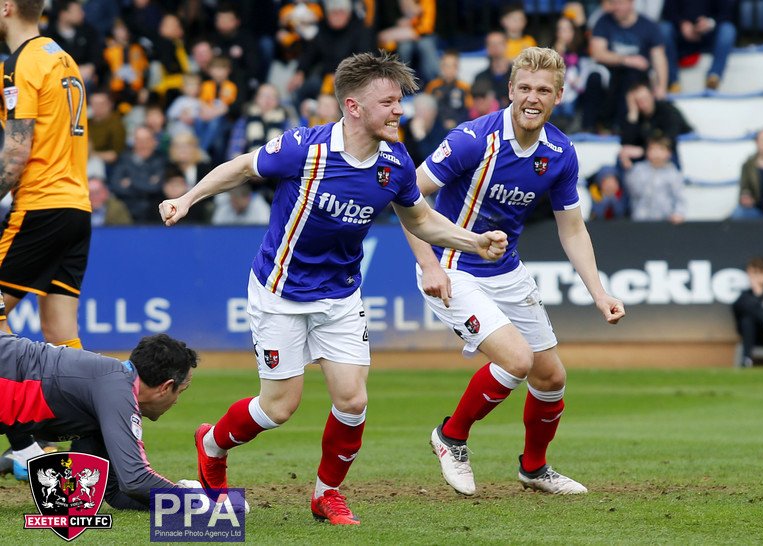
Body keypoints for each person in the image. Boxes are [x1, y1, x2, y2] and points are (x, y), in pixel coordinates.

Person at [158, 51, 508, 525]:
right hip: (280, 292)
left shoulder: (396, 162)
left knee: (353, 399)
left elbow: (421, 220)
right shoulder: (306, 148)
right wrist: (187, 198)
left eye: (399, 100)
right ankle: (212, 443)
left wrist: (474, 241)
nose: (398, 110)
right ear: (353, 107)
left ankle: (327, 493)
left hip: (340, 295)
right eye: (387, 102)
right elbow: (242, 167)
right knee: (279, 407)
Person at [403, 47, 625, 497]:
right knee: (518, 360)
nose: (532, 97)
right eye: (524, 87)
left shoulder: (560, 153)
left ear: (559, 95)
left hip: (506, 270)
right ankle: (451, 437)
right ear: (509, 90)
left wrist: (599, 293)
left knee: (551, 377)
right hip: (452, 267)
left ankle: (534, 468)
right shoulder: (472, 139)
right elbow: (408, 197)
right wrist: (428, 264)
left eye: (543, 90)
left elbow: (574, 230)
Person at [0, 0, 92, 478]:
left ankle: (27, 447)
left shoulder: (19, 64)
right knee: (60, 333)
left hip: (40, 205)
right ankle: (94, 444)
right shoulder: (63, 57)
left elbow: (17, 153)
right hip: (76, 206)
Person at [0, 330, 203, 509]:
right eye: (181, 391)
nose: (177, 401)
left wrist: (175, 502)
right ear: (166, 387)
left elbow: (117, 493)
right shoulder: (117, 391)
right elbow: (135, 479)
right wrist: (193, 501)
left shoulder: (113, 388)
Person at [584, 0, 667, 132]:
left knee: (630, 76)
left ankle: (620, 126)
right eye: (614, 3)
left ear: (631, 3)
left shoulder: (648, 25)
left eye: (620, 3)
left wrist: (661, 87)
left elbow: (659, 58)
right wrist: (626, 60)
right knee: (594, 77)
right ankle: (588, 127)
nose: (616, 7)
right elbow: (597, 53)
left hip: (636, 76)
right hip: (610, 70)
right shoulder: (603, 21)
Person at [660, 0, 737, 92]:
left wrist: (710, 22)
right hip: (680, 33)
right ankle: (672, 81)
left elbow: (728, 12)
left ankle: (714, 76)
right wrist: (681, 23)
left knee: (728, 30)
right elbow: (667, 11)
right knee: (664, 29)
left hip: (710, 34)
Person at [624, 135, 686, 223]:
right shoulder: (638, 169)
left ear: (669, 153)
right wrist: (628, 169)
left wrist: (679, 213)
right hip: (640, 219)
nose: (656, 152)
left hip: (664, 220)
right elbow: (632, 191)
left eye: (660, 149)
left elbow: (680, 198)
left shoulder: (673, 174)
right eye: (652, 149)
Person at [733, 257, 763, 367]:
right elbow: (737, 311)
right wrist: (757, 293)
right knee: (747, 320)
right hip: (754, 336)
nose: (755, 277)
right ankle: (746, 360)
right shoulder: (744, 296)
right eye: (752, 274)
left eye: (759, 273)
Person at [732, 129, 763, 220]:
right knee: (738, 214)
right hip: (753, 208)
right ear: (757, 142)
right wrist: (745, 196)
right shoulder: (747, 165)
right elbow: (744, 187)